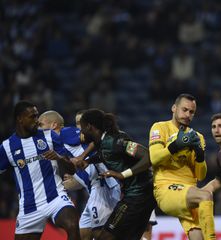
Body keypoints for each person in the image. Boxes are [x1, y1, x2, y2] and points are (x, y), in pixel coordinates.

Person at [0, 101, 80, 240]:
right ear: (20, 118)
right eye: (32, 117)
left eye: (37, 116)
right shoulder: (7, 147)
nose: (37, 120)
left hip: (55, 198)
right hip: (29, 207)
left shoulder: (49, 136)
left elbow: (72, 169)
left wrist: (59, 158)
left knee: (72, 224)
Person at [38, 110, 120, 240]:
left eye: (41, 125)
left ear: (54, 125)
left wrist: (82, 157)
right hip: (93, 189)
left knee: (101, 235)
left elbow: (95, 139)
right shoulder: (55, 145)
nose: (38, 128)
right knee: (80, 235)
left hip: (102, 186)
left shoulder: (65, 133)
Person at [79, 108, 156, 240]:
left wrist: (122, 175)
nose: (81, 132)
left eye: (82, 128)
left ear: (89, 126)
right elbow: (107, 154)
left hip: (137, 195)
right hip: (142, 195)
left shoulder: (117, 141)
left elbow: (148, 156)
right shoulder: (103, 142)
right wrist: (88, 161)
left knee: (106, 237)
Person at [149, 93, 216, 240]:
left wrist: (200, 156)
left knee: (198, 236)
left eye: (191, 112)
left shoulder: (197, 137)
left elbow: (201, 175)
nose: (187, 115)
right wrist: (175, 146)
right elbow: (154, 158)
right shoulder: (160, 127)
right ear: (174, 108)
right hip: (166, 187)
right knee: (205, 195)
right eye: (184, 110)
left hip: (189, 190)